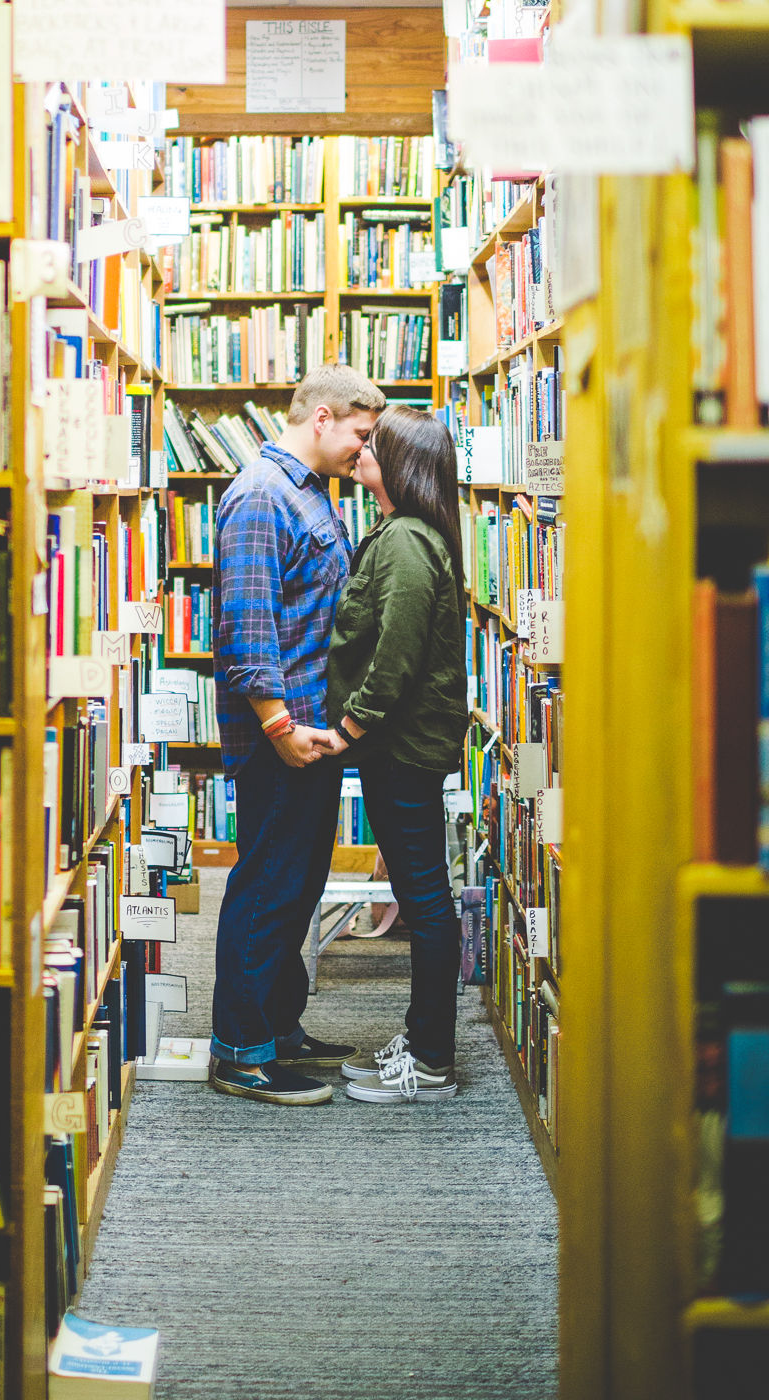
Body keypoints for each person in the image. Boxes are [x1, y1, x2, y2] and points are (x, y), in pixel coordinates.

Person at [207, 365, 386, 1105]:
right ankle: (241, 1052)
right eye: (361, 435)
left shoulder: (309, 492)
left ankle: (279, 1028)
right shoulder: (259, 496)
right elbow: (247, 628)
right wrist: (278, 726)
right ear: (322, 418)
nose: (364, 451)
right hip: (282, 734)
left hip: (311, 731)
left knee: (296, 883)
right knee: (267, 886)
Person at [324, 406, 469, 1104]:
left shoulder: (409, 540)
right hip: (402, 747)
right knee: (423, 895)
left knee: (425, 902)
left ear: (402, 464)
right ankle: (421, 1040)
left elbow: (397, 654)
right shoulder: (400, 532)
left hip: (403, 749)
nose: (359, 452)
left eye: (372, 445)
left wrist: (351, 728)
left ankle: (434, 1063)